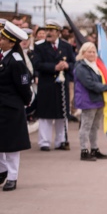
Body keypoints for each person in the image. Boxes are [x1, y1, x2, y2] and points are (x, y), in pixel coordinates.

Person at [31, 19, 75, 151]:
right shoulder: (40, 47)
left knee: (62, 114)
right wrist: (54, 67)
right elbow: (37, 64)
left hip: (61, 85)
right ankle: (44, 141)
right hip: (47, 84)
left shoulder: (66, 46)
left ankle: (61, 141)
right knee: (46, 115)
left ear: (58, 32)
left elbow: (74, 63)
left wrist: (67, 66)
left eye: (51, 30)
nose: (48, 33)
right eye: (47, 30)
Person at [0, 23, 34, 191]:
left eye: (2, 38)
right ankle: (2, 170)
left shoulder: (16, 61)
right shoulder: (2, 56)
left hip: (12, 108)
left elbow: (23, 86)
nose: (0, 40)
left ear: (11, 42)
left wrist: (26, 102)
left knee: (12, 145)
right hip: (1, 107)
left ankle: (12, 177)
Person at [73, 42, 107, 161]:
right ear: (83, 53)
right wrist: (106, 87)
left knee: (95, 127)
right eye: (89, 51)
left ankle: (94, 149)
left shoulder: (96, 66)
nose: (92, 54)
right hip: (88, 100)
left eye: (94, 51)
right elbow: (89, 83)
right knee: (86, 126)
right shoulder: (81, 67)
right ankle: (84, 150)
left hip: (97, 99)